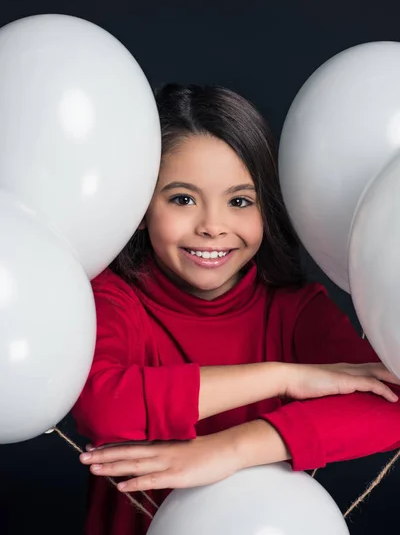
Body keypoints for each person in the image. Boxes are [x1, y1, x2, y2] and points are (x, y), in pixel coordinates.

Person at [73, 84, 400, 535]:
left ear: (268, 208)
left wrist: (227, 450)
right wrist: (285, 376)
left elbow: (393, 403)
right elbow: (102, 405)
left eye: (240, 201)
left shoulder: (294, 309)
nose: (212, 226)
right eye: (182, 199)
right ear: (141, 206)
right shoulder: (114, 297)